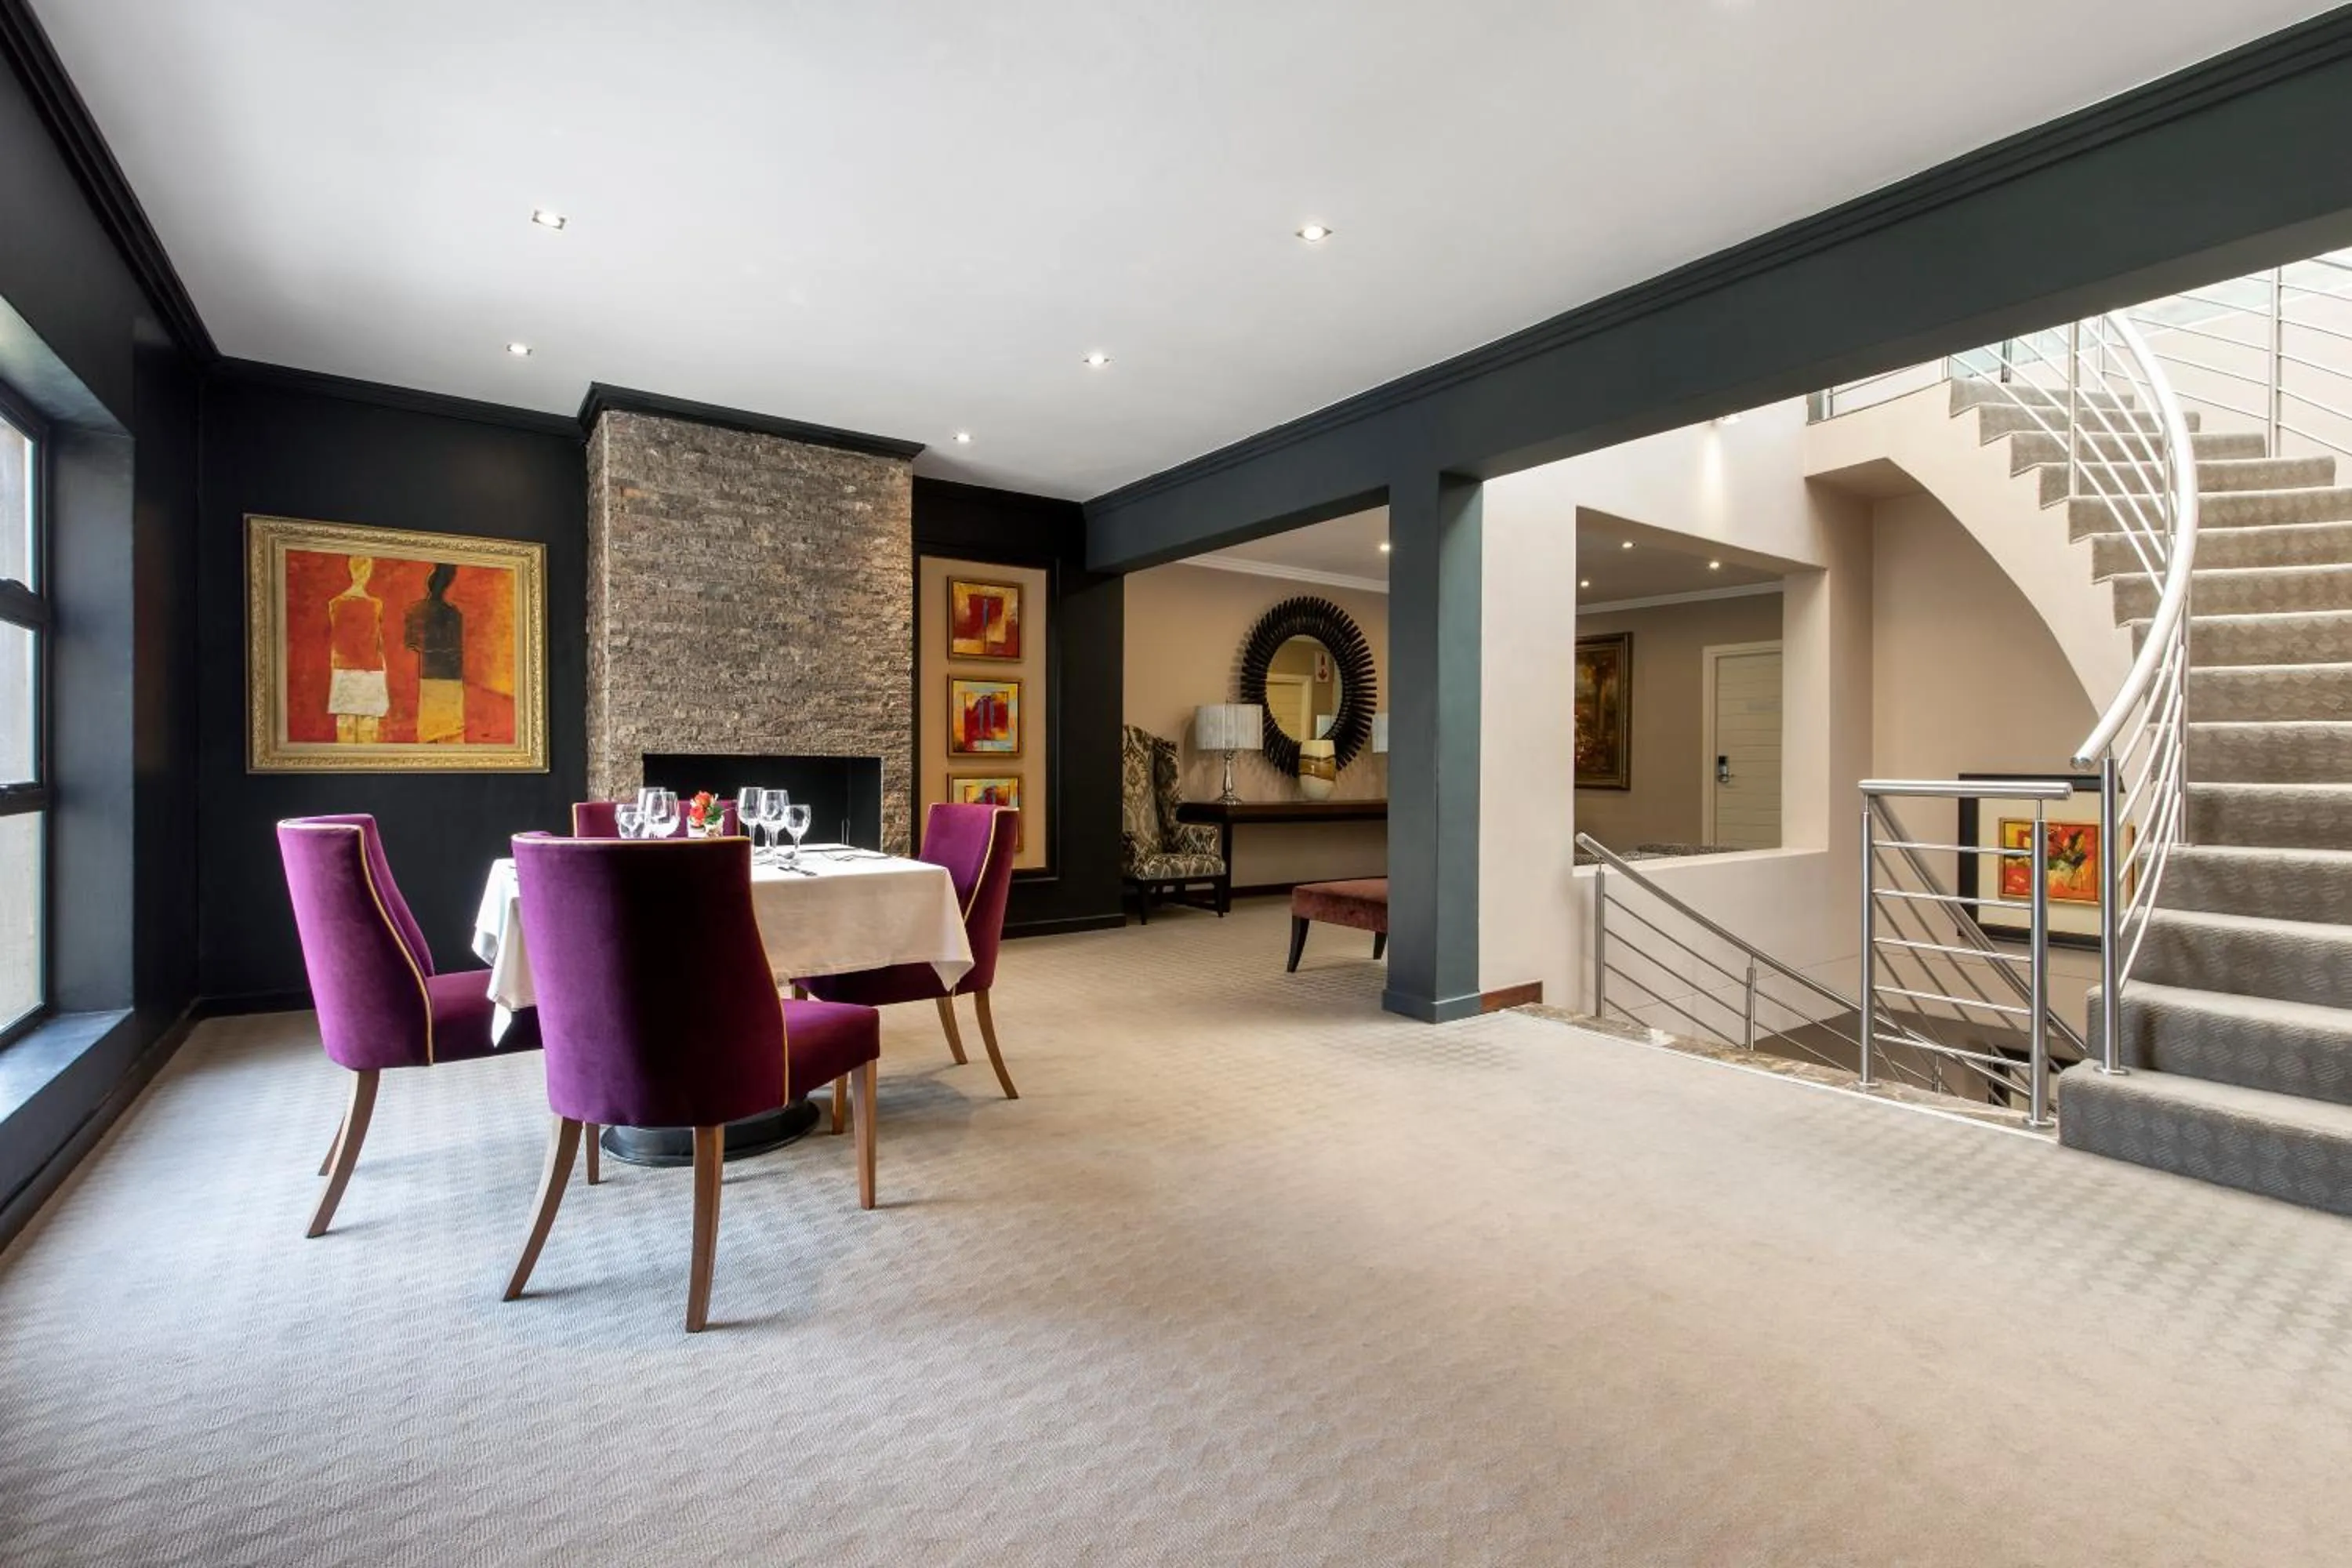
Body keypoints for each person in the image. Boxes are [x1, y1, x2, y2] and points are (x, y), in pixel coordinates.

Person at [326, 556, 388, 745]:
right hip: (371, 670)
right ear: (368, 572)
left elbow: (336, 642)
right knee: (368, 728)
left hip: (343, 670)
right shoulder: (376, 605)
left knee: (345, 727)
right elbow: (379, 643)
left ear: (351, 570)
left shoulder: (335, 603)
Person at [403, 563, 466, 744]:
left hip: (430, 673)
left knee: (429, 732)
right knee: (452, 732)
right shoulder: (454, 613)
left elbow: (411, 643)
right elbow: (456, 647)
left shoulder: (415, 610)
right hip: (451, 675)